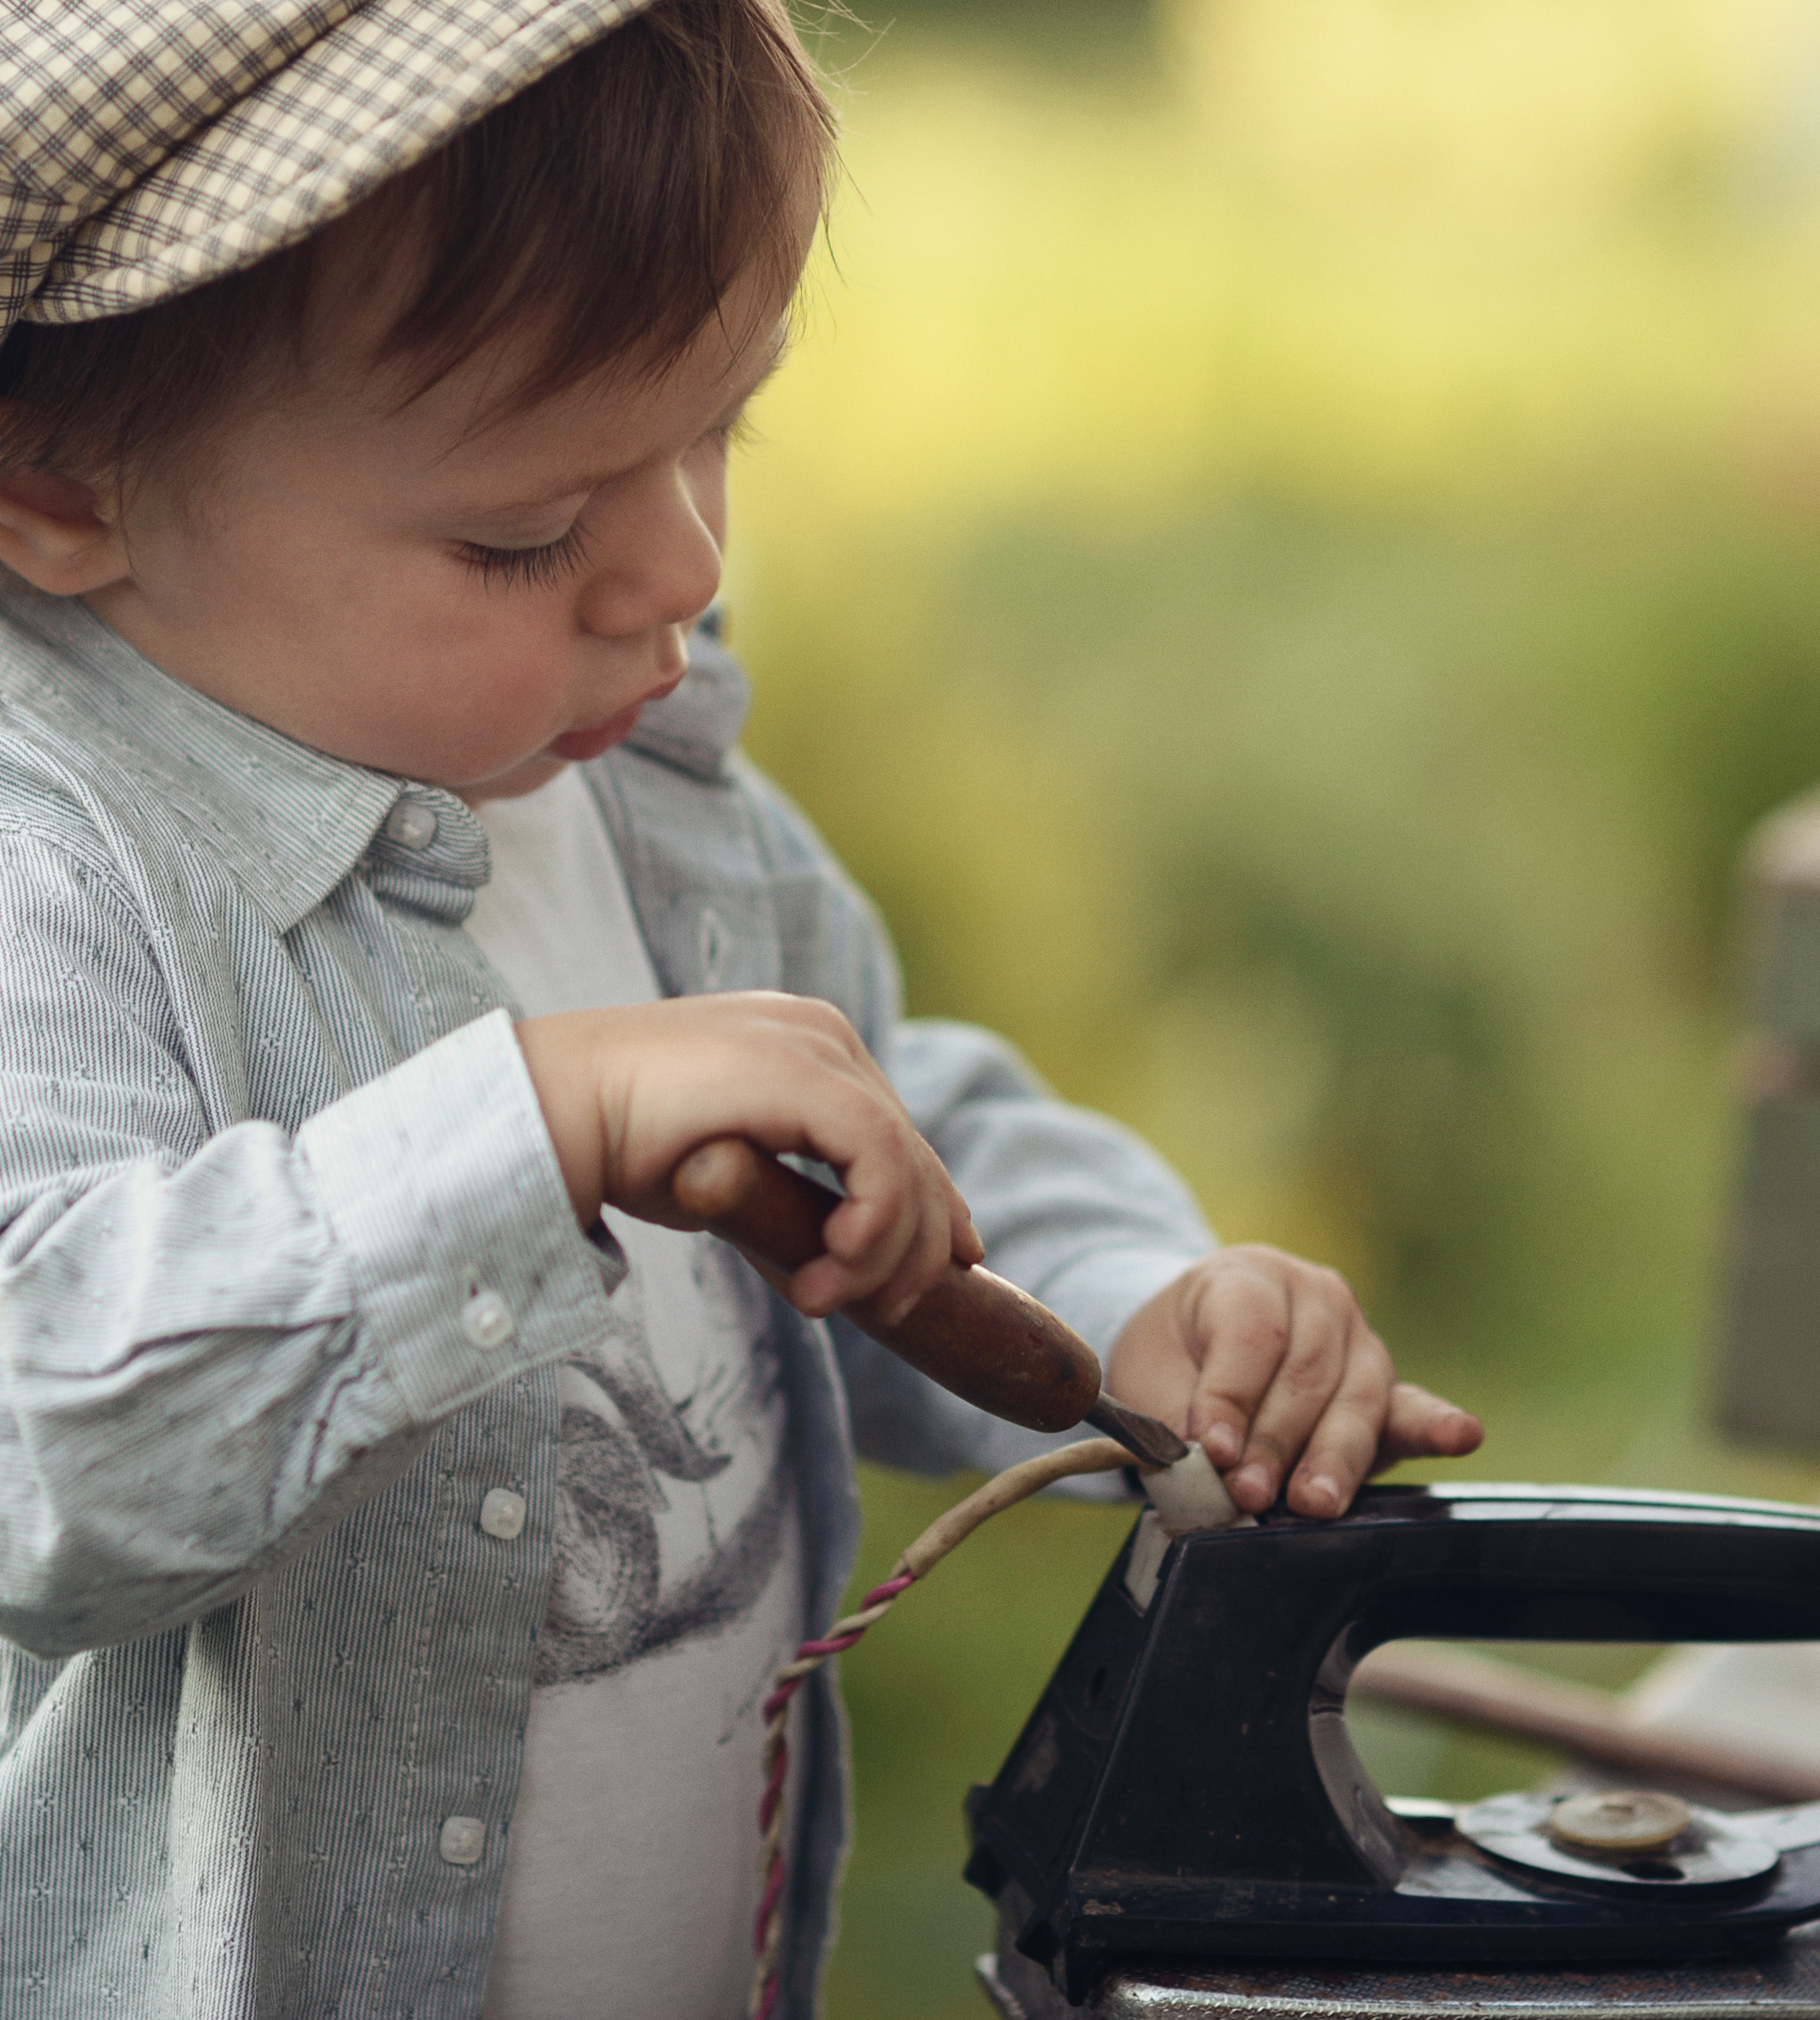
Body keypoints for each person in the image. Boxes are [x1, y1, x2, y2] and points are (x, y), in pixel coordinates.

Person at [0, 2, 1484, 2013]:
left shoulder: (637, 789)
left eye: (719, 435)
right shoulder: (58, 873)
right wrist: (529, 1127)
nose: (679, 571)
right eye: (523, 532)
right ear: (54, 476)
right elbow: (45, 1436)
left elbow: (879, 1116)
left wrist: (1134, 1289)